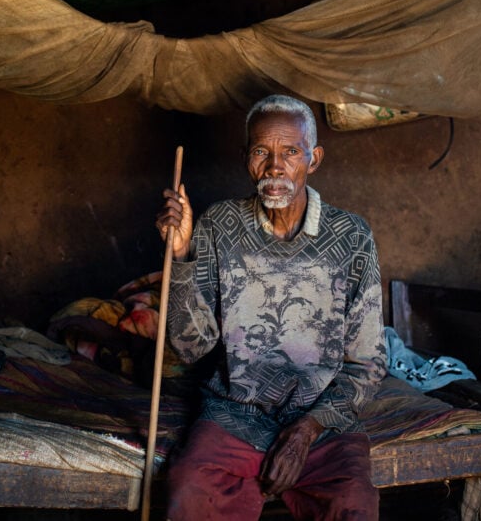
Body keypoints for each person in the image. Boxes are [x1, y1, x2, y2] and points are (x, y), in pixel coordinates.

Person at [156, 94, 386, 520]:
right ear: (245, 157)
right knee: (189, 490)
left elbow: (368, 362)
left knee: (352, 504)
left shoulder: (351, 236)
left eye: (290, 152)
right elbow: (189, 349)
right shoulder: (219, 225)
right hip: (234, 412)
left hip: (319, 420)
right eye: (262, 151)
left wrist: (306, 430)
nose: (275, 167)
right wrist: (183, 255)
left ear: (313, 159)